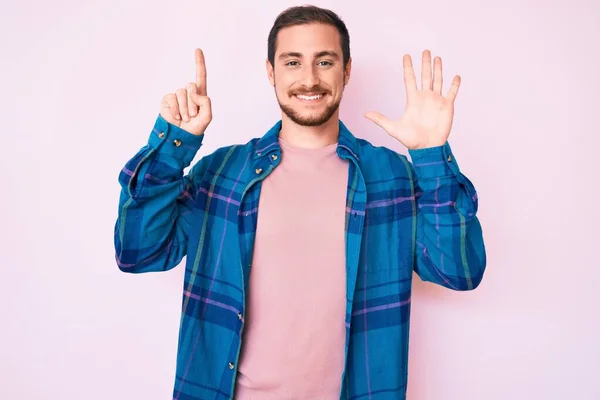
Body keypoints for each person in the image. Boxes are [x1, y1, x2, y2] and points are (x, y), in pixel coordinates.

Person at [114, 4, 486, 400]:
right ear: (271, 72)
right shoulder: (222, 174)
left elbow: (458, 271)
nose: (309, 79)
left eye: (324, 61)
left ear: (346, 71)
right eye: (293, 62)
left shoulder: (390, 175)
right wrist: (173, 148)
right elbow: (138, 252)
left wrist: (431, 156)